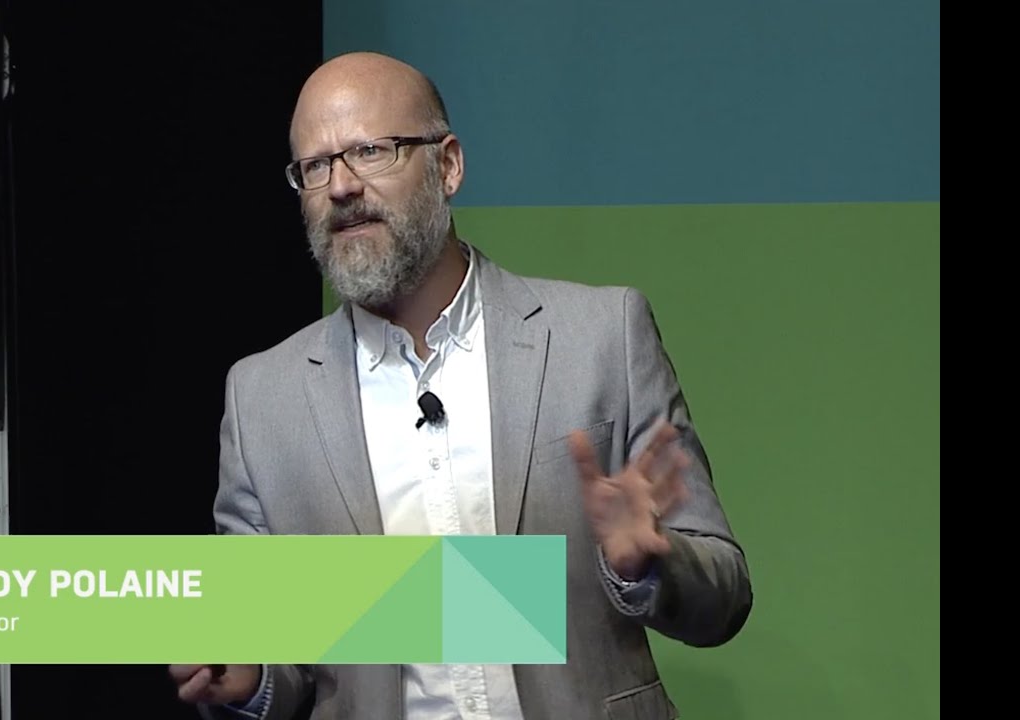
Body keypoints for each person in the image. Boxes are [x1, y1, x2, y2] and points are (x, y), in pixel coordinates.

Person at [170, 51, 753, 720]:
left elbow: (725, 596)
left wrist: (646, 566)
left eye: (370, 151)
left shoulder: (601, 337)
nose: (340, 186)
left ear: (447, 166)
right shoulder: (261, 400)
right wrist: (249, 678)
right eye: (315, 166)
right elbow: (272, 654)